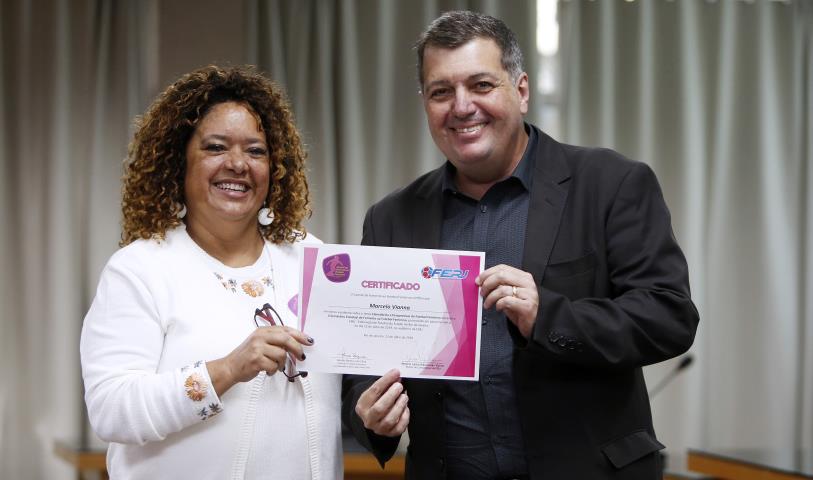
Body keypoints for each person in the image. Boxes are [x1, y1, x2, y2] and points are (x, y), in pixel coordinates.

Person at [341, 11, 699, 479]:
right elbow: (364, 359)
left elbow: (669, 317)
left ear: (522, 91)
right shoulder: (390, 218)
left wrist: (545, 316)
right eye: (441, 92)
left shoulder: (611, 184)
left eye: (482, 85)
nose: (461, 106)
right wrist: (371, 415)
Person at [80, 65, 342, 479]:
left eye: (256, 151)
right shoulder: (141, 268)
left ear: (274, 168)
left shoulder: (310, 257)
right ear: (178, 161)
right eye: (216, 147)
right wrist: (228, 369)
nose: (238, 164)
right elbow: (113, 410)